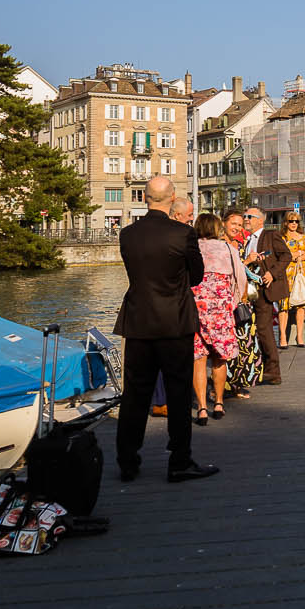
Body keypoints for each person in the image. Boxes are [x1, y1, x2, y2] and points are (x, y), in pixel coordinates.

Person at [114, 175, 217, 483]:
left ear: (144, 198)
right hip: (175, 321)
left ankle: (127, 461)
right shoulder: (183, 234)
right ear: (173, 198)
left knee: (135, 395)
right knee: (178, 390)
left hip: (139, 322)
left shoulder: (128, 235)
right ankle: (179, 461)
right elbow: (196, 276)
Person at [190, 210, 239, 421]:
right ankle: (218, 403)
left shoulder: (191, 249)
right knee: (220, 358)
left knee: (198, 359)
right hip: (221, 311)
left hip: (196, 310)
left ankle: (201, 407)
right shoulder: (227, 249)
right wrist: (231, 302)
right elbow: (239, 279)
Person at [243, 206, 292, 383]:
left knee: (263, 328)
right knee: (255, 329)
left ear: (260, 220)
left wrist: (272, 273)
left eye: (249, 216)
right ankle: (262, 366)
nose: (246, 219)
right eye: (244, 216)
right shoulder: (247, 240)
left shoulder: (271, 235)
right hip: (251, 291)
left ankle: (273, 370)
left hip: (265, 289)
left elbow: (286, 256)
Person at [221, 207, 262, 397]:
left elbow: (243, 271)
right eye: (233, 223)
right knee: (227, 344)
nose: (237, 227)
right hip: (225, 301)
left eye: (239, 224)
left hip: (243, 300)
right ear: (224, 223)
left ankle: (238, 383)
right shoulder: (219, 244)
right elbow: (228, 270)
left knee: (245, 343)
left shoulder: (240, 244)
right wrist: (246, 263)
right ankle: (222, 386)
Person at [279, 213, 305, 347]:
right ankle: (283, 337)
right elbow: (280, 254)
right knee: (283, 306)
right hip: (285, 274)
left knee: (301, 305)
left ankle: (300, 337)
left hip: (300, 274)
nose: (294, 223)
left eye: (296, 221)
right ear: (286, 222)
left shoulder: (303, 238)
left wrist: (299, 255)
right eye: (291, 221)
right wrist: (294, 254)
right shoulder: (281, 238)